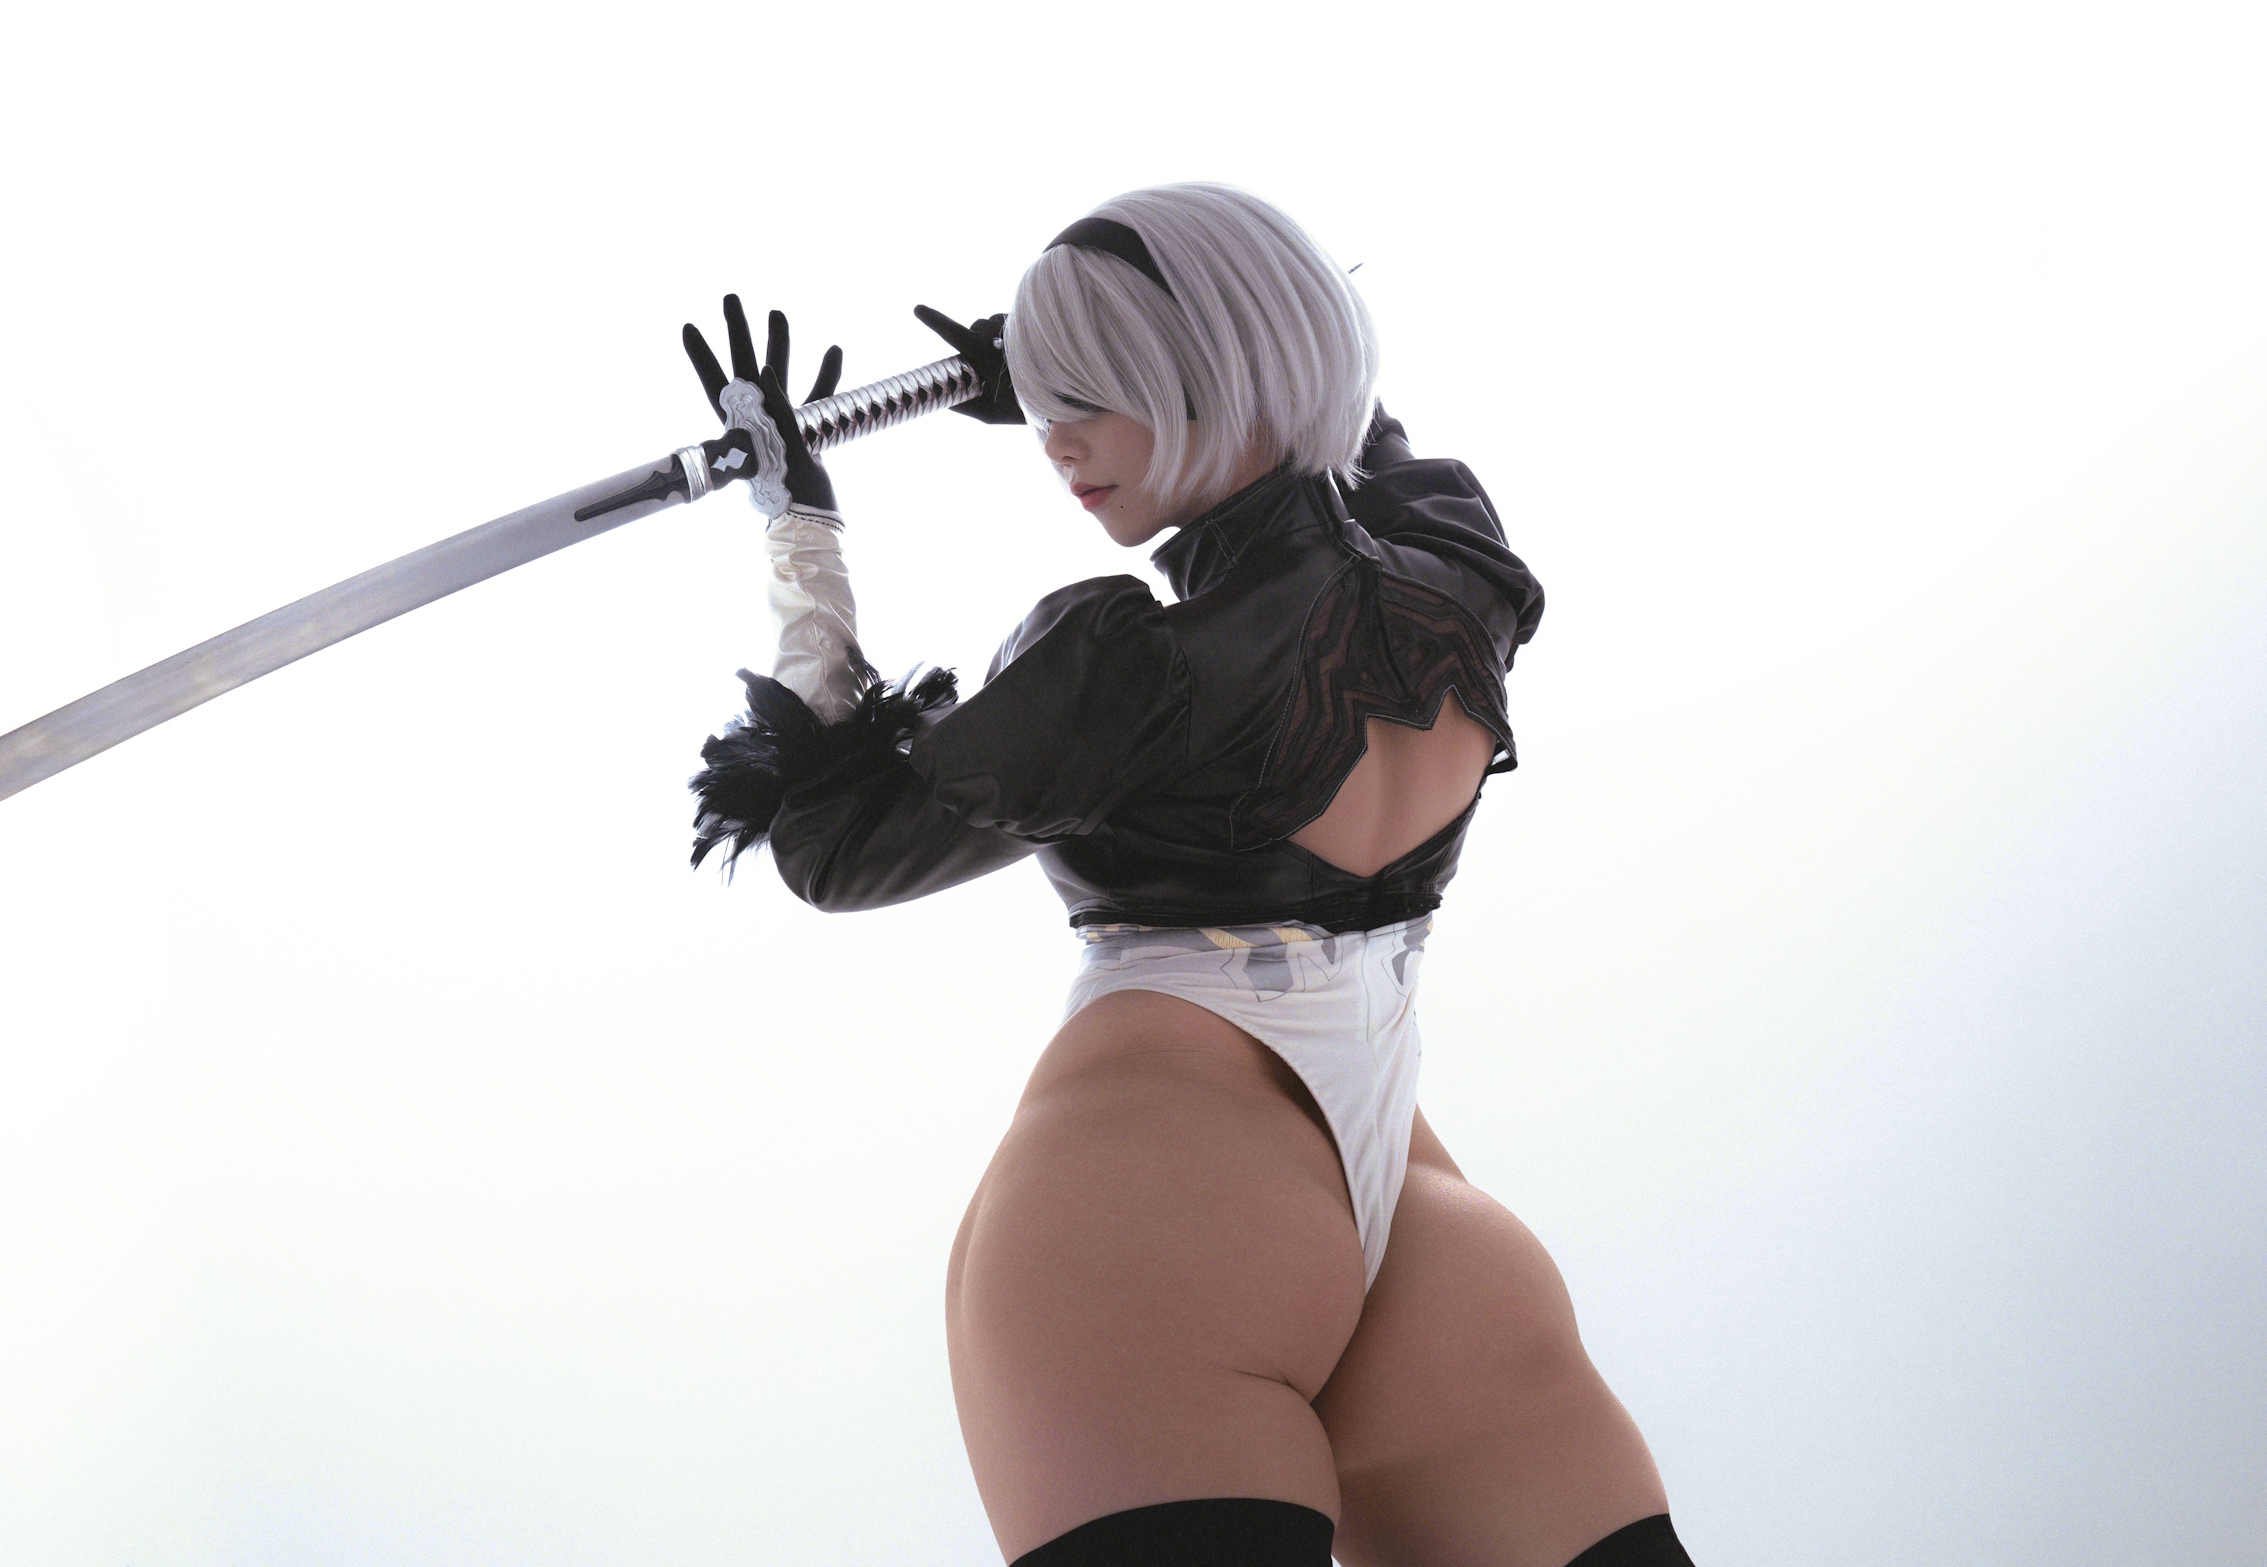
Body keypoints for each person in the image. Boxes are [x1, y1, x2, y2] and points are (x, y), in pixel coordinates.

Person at [681, 183, 1688, 1567]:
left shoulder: (1126, 670)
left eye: (1096, 398)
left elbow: (836, 845)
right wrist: (1105, 379)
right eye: (1049, 403)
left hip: (1149, 1208)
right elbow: (1342, 430)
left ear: (1215, 370)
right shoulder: (1458, 556)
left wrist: (800, 524)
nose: (1057, 443)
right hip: (1415, 1205)